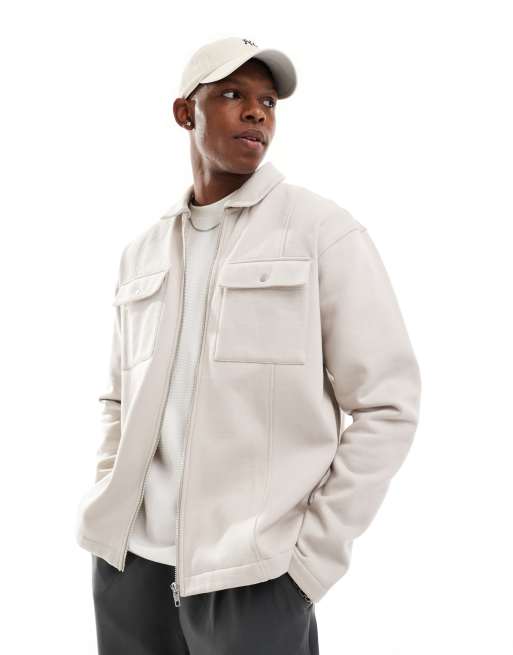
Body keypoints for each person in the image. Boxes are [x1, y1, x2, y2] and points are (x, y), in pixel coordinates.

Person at [76, 36, 422, 655]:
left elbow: (387, 404)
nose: (256, 112)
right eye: (233, 95)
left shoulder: (321, 232)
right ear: (185, 112)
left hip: (254, 579)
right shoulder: (142, 253)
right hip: (130, 571)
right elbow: (117, 399)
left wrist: (309, 563)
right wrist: (110, 498)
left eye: (268, 102)